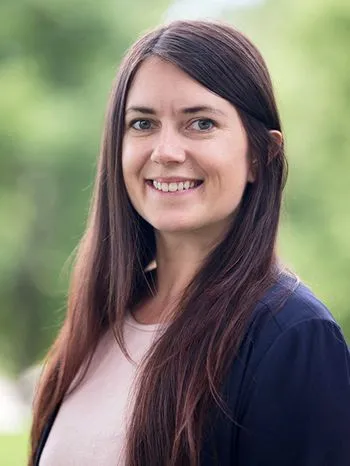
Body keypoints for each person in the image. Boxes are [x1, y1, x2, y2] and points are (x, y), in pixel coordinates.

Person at [29, 20, 350, 466]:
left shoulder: (293, 338)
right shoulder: (101, 321)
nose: (165, 151)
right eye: (142, 123)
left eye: (200, 123)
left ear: (261, 155)